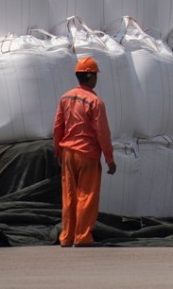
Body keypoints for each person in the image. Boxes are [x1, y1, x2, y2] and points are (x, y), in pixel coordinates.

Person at [53, 56, 116, 247]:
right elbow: (102, 133)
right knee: (86, 195)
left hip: (67, 153)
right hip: (86, 154)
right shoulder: (95, 102)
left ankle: (66, 237)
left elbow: (57, 127)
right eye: (95, 75)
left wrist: (58, 151)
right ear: (89, 76)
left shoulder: (65, 97)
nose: (96, 79)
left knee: (69, 195)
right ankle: (82, 237)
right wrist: (109, 159)